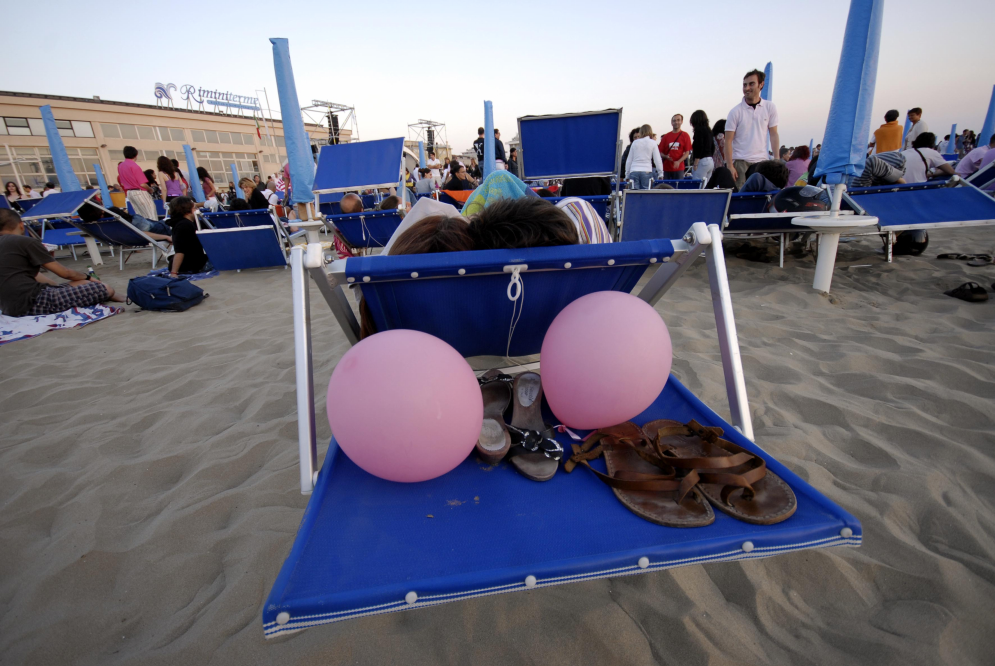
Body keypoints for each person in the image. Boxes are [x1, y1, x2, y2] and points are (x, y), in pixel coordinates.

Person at [0, 209, 124, 316]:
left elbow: (35, 275)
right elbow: (65, 273)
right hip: (32, 303)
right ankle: (110, 294)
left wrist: (58, 289)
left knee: (81, 283)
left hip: (7, 307)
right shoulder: (24, 242)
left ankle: (109, 294)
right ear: (21, 225)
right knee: (104, 288)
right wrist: (89, 277)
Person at [725, 69, 781, 189]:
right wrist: (730, 165)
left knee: (762, 196)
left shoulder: (770, 107)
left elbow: (774, 134)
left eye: (751, 84)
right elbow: (728, 140)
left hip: (762, 161)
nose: (747, 88)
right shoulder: (735, 112)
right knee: (741, 196)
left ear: (761, 85)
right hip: (740, 161)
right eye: (745, 85)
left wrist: (776, 159)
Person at [77, 193, 172, 239]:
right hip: (143, 225)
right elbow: (140, 232)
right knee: (169, 223)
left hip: (135, 230)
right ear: (100, 209)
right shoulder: (113, 214)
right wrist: (166, 237)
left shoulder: (95, 224)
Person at [165, 197, 210, 276]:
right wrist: (174, 273)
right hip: (190, 265)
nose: (197, 210)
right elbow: (180, 251)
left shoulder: (185, 223)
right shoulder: (184, 225)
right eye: (194, 207)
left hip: (189, 263)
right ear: (187, 210)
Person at [117, 146, 157, 220]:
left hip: (129, 193)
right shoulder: (134, 166)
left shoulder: (120, 166)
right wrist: (150, 189)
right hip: (139, 192)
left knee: (140, 216)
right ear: (136, 154)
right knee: (151, 215)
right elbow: (142, 184)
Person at [624, 124, 664, 190]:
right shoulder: (653, 143)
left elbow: (629, 160)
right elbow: (657, 160)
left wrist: (627, 175)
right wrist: (660, 173)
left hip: (634, 170)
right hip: (647, 170)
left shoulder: (635, 143)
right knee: (645, 194)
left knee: (634, 194)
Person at [659, 114, 692, 179]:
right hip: (667, 168)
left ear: (681, 121)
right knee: (666, 187)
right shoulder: (666, 137)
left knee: (678, 188)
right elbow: (660, 152)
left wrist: (679, 161)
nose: (676, 122)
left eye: (678, 120)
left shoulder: (685, 135)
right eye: (674, 121)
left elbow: (687, 152)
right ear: (671, 123)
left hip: (679, 168)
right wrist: (665, 156)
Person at [689, 110, 715, 184]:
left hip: (702, 161)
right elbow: (713, 146)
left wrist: (696, 163)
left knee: (697, 185)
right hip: (710, 160)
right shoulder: (709, 130)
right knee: (706, 185)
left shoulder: (698, 130)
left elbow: (699, 147)